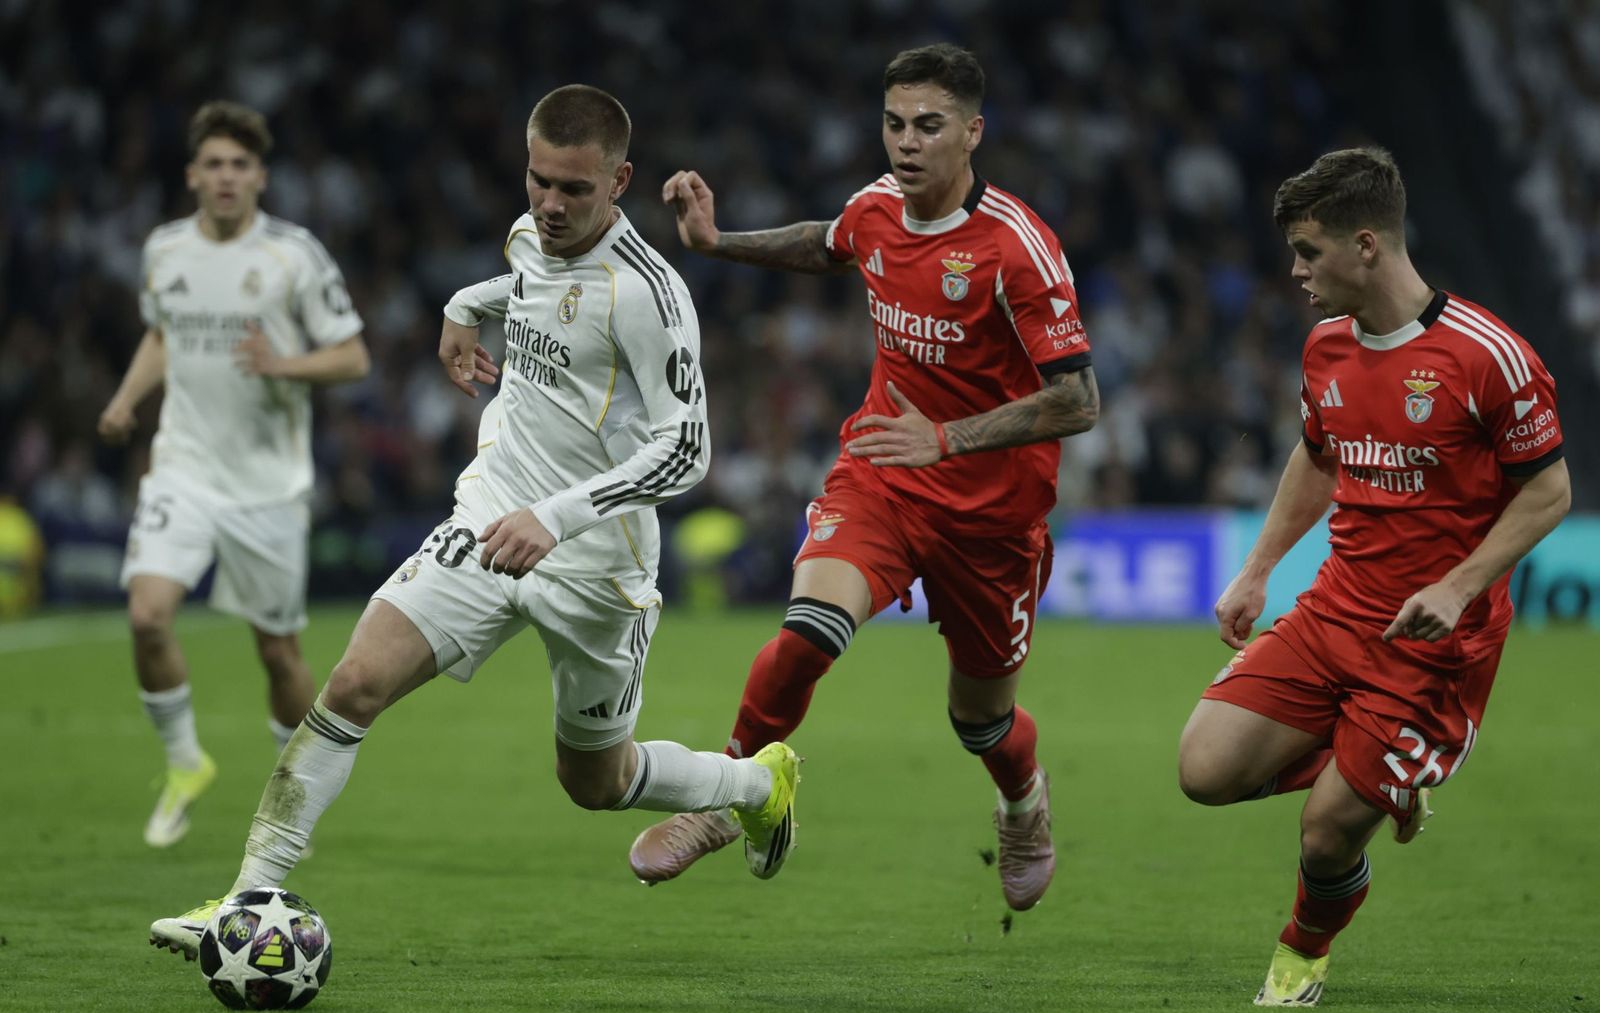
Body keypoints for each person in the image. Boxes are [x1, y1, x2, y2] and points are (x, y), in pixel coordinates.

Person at [149, 84, 799, 960]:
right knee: (351, 684)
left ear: (621, 181)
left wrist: (559, 516)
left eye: (575, 189)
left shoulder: (650, 296)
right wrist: (467, 303)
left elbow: (689, 454)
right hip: (490, 515)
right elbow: (528, 278)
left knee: (595, 781)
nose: (551, 205)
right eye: (538, 181)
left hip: (593, 560)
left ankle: (756, 785)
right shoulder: (530, 233)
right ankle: (249, 898)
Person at [629, 44, 1100, 910]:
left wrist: (950, 438)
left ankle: (1023, 804)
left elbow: (1079, 401)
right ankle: (731, 797)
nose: (906, 143)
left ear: (973, 133)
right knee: (809, 630)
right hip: (882, 473)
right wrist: (716, 242)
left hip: (993, 517)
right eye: (893, 124)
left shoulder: (1017, 248)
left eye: (929, 126)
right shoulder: (878, 207)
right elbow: (828, 242)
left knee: (982, 722)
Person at [1176, 147, 1571, 1006]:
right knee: (1203, 769)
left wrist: (1460, 586)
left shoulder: (1488, 357)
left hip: (1433, 645)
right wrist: (1257, 571)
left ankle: (1303, 950)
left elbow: (1549, 491)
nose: (1296, 271)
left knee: (1324, 838)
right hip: (1333, 614)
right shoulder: (1324, 349)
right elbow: (1318, 458)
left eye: (1308, 251)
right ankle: (1376, 777)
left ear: (1367, 246)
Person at [99, 101, 370, 848]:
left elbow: (352, 356)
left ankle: (296, 798)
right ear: (193, 175)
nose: (226, 177)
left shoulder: (295, 255)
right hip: (182, 467)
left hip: (268, 487)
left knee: (277, 651)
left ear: (261, 178)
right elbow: (163, 332)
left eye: (240, 165)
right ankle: (186, 763)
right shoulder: (165, 250)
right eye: (213, 164)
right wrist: (126, 400)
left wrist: (284, 362)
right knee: (148, 614)